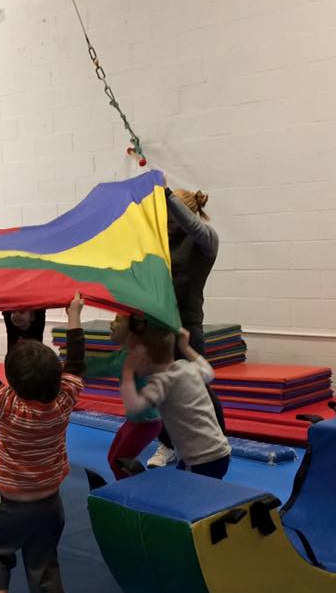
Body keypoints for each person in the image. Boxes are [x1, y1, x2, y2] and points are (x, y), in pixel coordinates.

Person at [0, 294, 85, 593]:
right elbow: (77, 364)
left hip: (13, 502)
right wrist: (74, 317)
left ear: (14, 383)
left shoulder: (6, 406)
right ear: (56, 377)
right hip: (50, 501)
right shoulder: (64, 402)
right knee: (45, 559)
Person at [148, 185, 226, 467]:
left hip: (188, 328)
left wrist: (166, 196)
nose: (167, 225)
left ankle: (214, 442)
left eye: (170, 218)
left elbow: (194, 227)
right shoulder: (163, 241)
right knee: (171, 390)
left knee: (199, 390)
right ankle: (170, 442)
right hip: (161, 326)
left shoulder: (205, 241)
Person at [121, 326, 231, 479]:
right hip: (221, 452)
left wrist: (126, 372)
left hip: (201, 460)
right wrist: (185, 347)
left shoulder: (161, 382)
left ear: (145, 359)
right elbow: (209, 372)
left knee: (190, 498)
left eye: (133, 358)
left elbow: (133, 407)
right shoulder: (186, 367)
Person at [82, 314, 162, 479]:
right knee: (114, 458)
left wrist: (75, 365)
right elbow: (104, 362)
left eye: (118, 320)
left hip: (146, 423)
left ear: (133, 332)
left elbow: (103, 367)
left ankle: (137, 492)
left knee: (119, 462)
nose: (111, 323)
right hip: (136, 420)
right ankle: (134, 488)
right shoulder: (124, 353)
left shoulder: (131, 357)